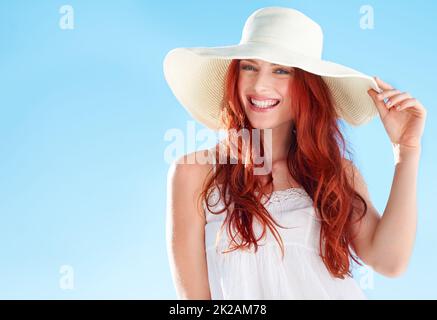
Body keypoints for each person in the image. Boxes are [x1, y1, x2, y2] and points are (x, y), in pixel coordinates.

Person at [164, 7, 427, 300]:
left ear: (306, 86)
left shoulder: (335, 172)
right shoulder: (194, 173)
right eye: (249, 67)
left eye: (281, 70)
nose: (260, 85)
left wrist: (406, 151)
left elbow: (389, 261)